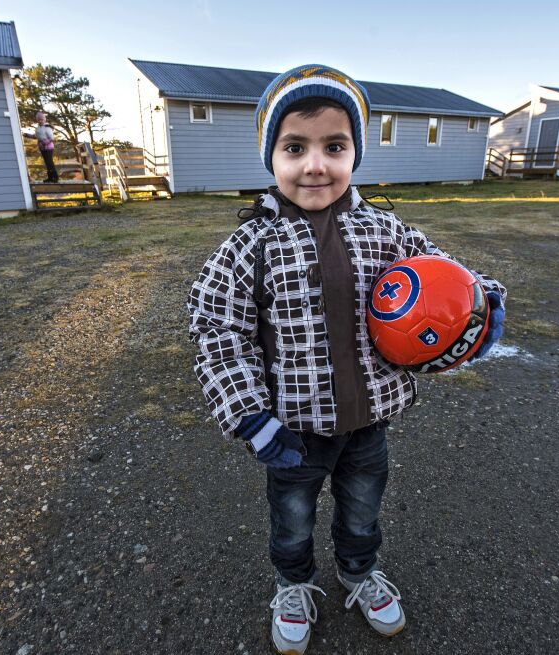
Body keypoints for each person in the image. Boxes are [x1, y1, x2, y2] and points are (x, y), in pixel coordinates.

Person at [187, 64, 506, 655]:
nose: (315, 164)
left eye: (334, 146)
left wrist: (482, 301)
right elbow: (217, 332)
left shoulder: (384, 229)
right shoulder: (247, 247)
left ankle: (358, 574)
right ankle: (294, 583)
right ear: (271, 158)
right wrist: (251, 417)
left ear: (355, 152)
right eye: (295, 147)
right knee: (293, 517)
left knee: (362, 509)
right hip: (290, 431)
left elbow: (443, 273)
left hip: (369, 422)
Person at [35, 110, 59, 183]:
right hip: (42, 148)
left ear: (44, 119)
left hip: (48, 148)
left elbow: (51, 138)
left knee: (50, 162)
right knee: (47, 163)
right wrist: (27, 135)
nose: (40, 121)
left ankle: (55, 177)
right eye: (39, 120)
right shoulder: (38, 128)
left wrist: (44, 143)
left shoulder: (47, 128)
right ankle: (50, 178)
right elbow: (37, 136)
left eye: (41, 119)